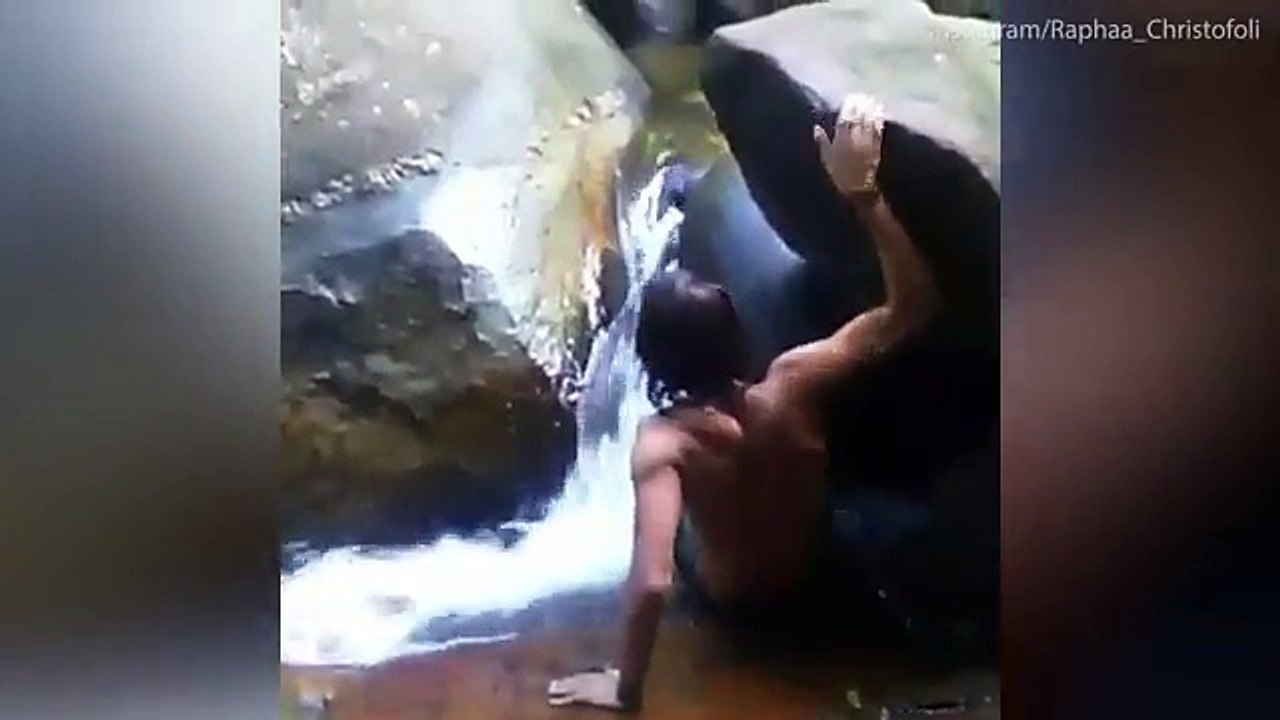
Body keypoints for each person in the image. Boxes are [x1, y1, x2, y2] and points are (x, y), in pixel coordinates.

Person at [547, 93, 941, 712]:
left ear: (648, 362)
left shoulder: (663, 442)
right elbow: (914, 305)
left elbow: (652, 583)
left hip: (742, 606)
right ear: (737, 337)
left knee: (679, 533)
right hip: (819, 578)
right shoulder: (794, 381)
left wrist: (624, 688)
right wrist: (863, 194)